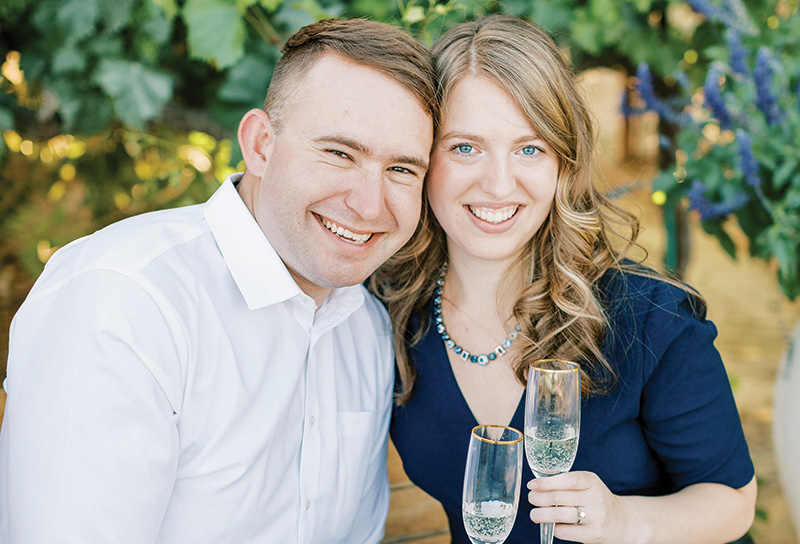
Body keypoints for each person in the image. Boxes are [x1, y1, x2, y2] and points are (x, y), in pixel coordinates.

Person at [0, 18, 436, 543]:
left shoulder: (363, 325)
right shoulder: (124, 301)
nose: (369, 204)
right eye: (340, 153)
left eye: (403, 170)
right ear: (260, 145)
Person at [371, 15, 757, 544]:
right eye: (465, 147)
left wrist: (627, 521)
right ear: (422, 157)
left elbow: (733, 501)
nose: (498, 183)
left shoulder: (650, 319)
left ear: (562, 163)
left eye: (529, 148)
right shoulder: (389, 309)